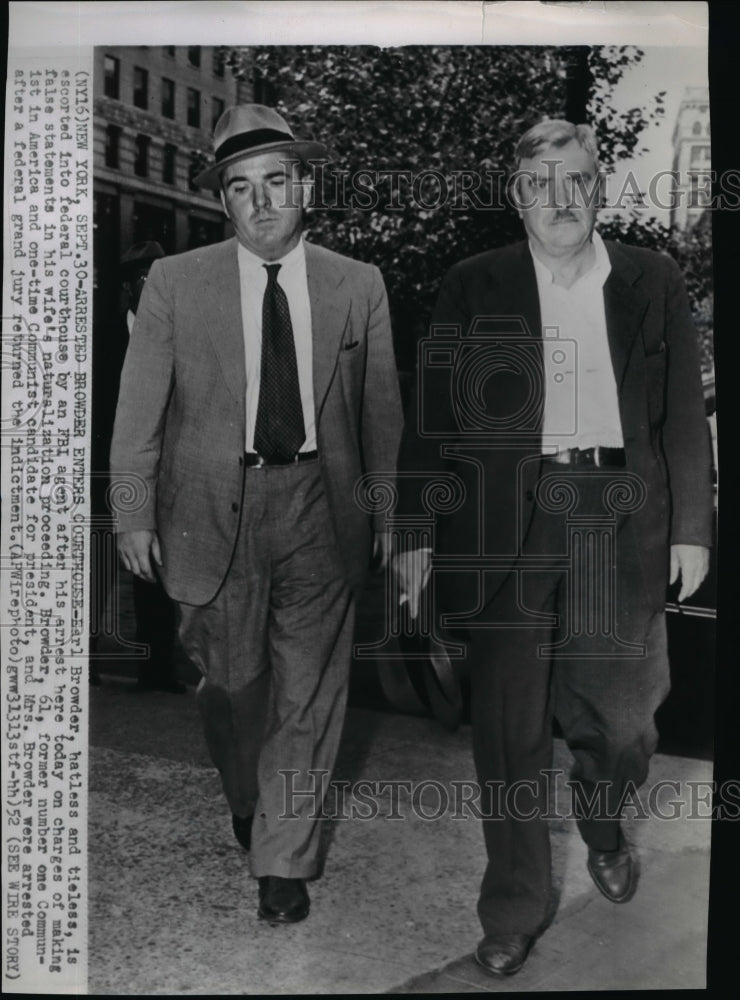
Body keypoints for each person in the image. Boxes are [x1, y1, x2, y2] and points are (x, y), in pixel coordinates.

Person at [395, 120, 712, 976]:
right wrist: (417, 535)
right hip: (505, 529)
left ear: (599, 189)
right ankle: (513, 908)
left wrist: (691, 527)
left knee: (624, 723)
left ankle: (604, 822)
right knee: (506, 735)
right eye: (540, 182)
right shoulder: (474, 283)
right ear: (517, 196)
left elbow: (683, 409)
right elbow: (434, 415)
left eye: (575, 180)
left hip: (621, 515)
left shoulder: (652, 280)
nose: (559, 199)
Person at [110, 105, 403, 923]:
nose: (262, 201)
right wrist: (132, 514)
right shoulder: (175, 283)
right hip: (209, 511)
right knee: (233, 685)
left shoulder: (358, 285)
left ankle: (283, 861)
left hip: (320, 504)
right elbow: (138, 412)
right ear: (224, 202)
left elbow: (383, 417)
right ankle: (248, 791)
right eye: (242, 188)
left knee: (308, 693)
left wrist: (388, 517)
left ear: (303, 187)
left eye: (276, 180)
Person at [90, 242, 184, 694]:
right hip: (101, 479)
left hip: (157, 478)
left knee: (153, 574)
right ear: (128, 288)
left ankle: (158, 673)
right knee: (95, 573)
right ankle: (81, 667)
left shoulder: (182, 341)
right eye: (147, 279)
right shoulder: (98, 340)